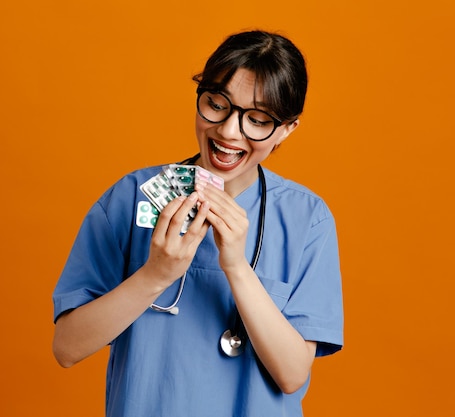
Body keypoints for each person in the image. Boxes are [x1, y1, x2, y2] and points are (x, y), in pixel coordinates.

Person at [52, 30, 343, 417]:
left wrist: (237, 267)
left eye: (256, 120)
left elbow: (292, 375)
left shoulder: (307, 219)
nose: (227, 132)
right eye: (217, 104)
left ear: (287, 129)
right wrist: (156, 274)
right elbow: (67, 347)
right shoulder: (131, 198)